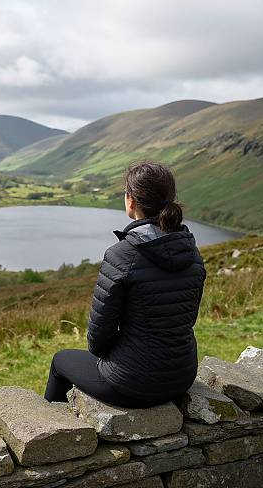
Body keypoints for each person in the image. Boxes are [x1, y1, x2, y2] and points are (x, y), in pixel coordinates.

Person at [44, 161, 207, 407]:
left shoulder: (122, 255)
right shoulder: (192, 251)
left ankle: (53, 436)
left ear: (131, 201)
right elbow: (186, 318)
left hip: (133, 383)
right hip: (181, 376)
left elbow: (98, 340)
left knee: (60, 361)